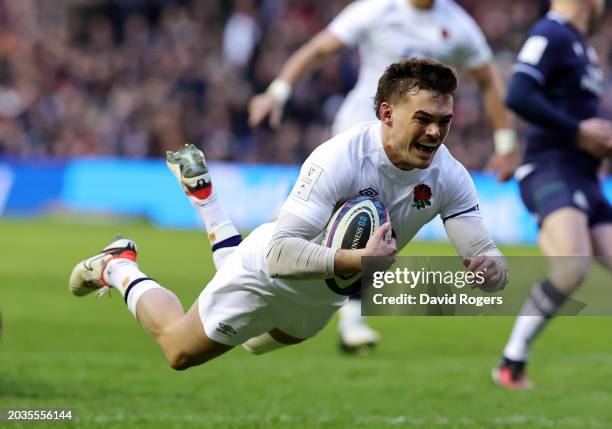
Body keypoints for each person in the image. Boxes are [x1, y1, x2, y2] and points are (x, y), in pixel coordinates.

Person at [69, 59, 508, 370]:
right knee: (178, 352)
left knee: (250, 347)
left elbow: (485, 252)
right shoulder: (339, 157)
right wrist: (359, 262)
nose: (435, 132)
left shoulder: (450, 176)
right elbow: (279, 255)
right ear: (387, 114)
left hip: (320, 301)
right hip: (267, 273)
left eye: (445, 121)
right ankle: (119, 268)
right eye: (425, 119)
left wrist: (492, 272)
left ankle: (207, 201)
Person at [249, 0, 520, 352]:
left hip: (410, 147)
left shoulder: (458, 24)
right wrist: (278, 91)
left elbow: (488, 82)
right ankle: (252, 260)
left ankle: (348, 319)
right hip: (356, 136)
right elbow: (319, 49)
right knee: (316, 223)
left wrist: (506, 142)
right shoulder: (377, 9)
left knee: (375, 227)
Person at [492, 0, 612, 390]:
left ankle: (512, 362)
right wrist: (578, 131)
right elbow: (519, 94)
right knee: (571, 267)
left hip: (586, 178)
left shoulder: (582, 46)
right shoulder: (551, 32)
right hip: (551, 169)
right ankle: (511, 362)